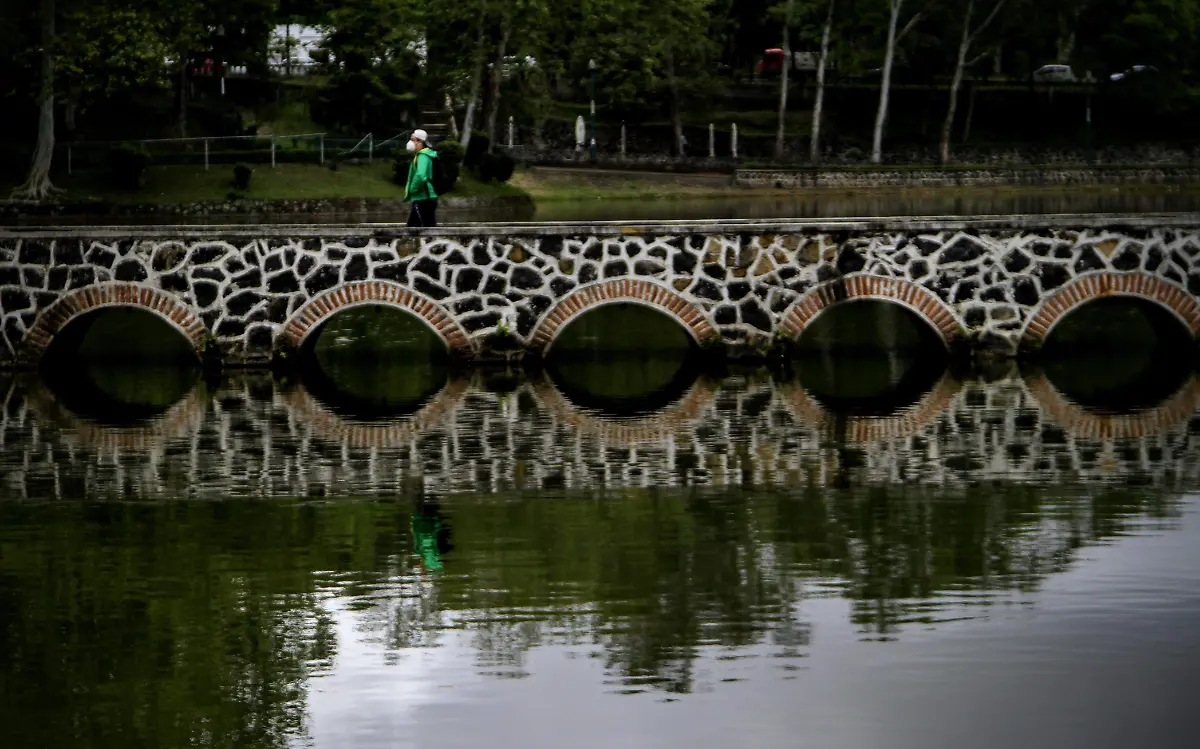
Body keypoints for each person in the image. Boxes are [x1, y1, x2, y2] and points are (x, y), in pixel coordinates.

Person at [404, 129, 439, 227]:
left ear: (420, 142)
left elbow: (420, 175)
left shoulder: (423, 156)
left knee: (419, 228)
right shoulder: (424, 155)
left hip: (423, 198)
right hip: (424, 197)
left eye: (413, 140)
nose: (410, 142)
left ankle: (436, 242)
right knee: (420, 227)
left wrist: (412, 189)